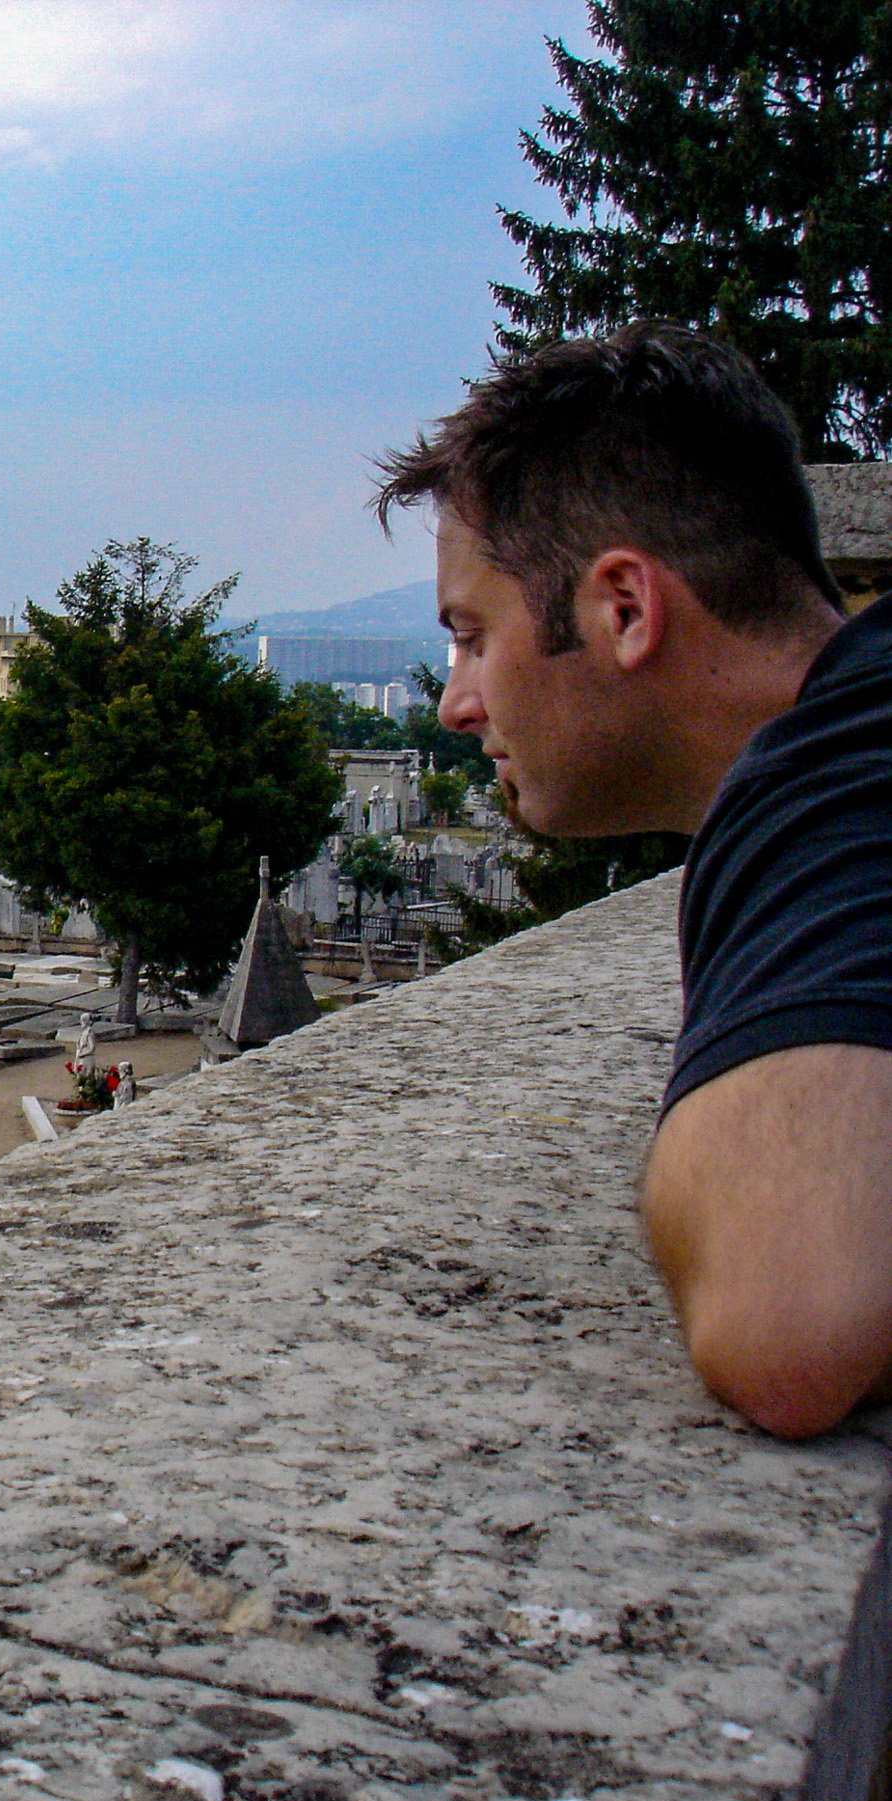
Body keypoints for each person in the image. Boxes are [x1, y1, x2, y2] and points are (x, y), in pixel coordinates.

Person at [374, 322, 892, 1439]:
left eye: (473, 636)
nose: (455, 705)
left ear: (623, 608)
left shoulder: (852, 768)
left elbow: (787, 1325)